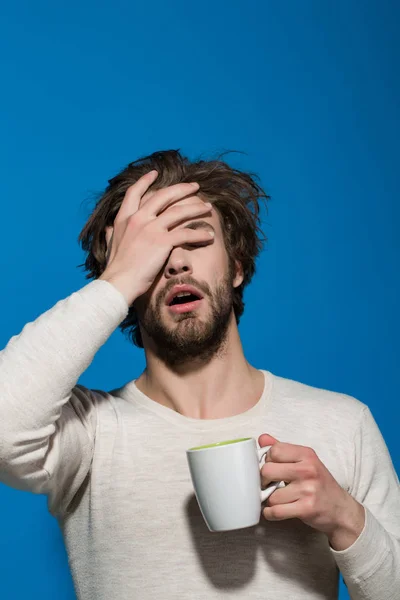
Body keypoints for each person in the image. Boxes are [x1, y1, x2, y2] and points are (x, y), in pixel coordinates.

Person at [0, 149, 398, 600]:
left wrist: (348, 521)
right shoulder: (88, 432)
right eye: (153, 252)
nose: (175, 263)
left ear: (237, 268)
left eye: (195, 240)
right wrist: (118, 278)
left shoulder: (344, 425)